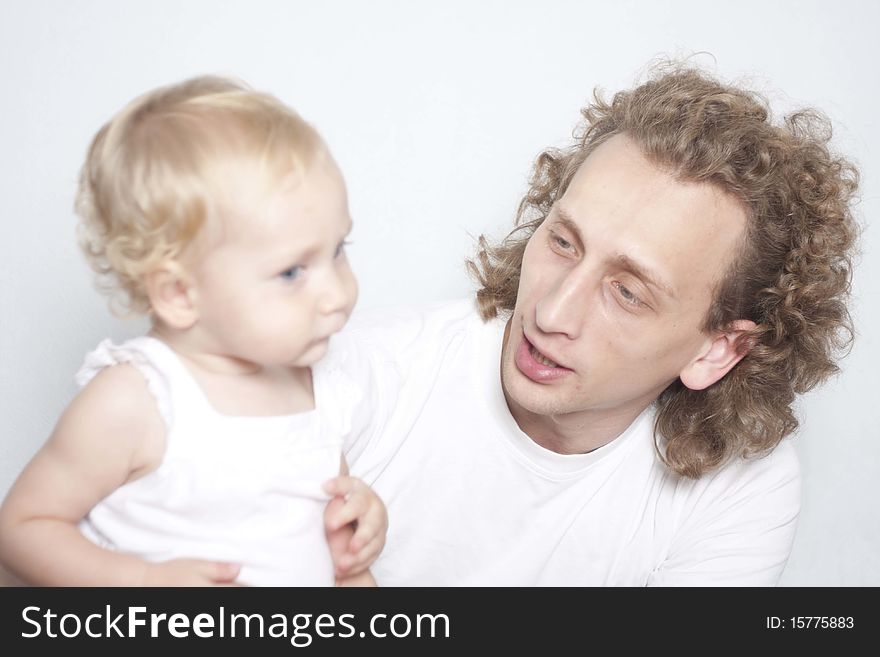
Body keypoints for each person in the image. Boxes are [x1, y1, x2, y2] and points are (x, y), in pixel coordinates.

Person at [331, 65, 860, 585]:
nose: (549, 314)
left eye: (627, 293)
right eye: (563, 243)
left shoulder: (740, 488)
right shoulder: (360, 378)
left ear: (718, 350)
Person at [0, 76, 386, 586]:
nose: (338, 293)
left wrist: (356, 539)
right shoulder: (140, 399)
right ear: (180, 295)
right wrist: (142, 582)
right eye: (293, 272)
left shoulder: (313, 390)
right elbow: (22, 529)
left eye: (338, 250)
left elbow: (315, 557)